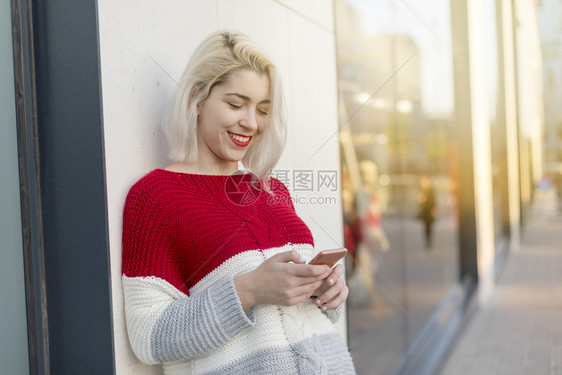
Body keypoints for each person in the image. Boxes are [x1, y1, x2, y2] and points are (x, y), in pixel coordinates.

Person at [121, 30, 356, 375]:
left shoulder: (272, 189)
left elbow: (296, 316)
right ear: (197, 100)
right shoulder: (156, 196)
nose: (251, 122)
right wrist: (249, 290)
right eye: (235, 104)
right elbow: (149, 338)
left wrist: (328, 292)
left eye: (262, 109)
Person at [417, 175, 436, 248]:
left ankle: (429, 240)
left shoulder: (431, 190)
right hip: (424, 211)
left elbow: (433, 201)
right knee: (425, 226)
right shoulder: (422, 190)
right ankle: (427, 240)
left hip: (429, 211)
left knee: (429, 226)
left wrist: (434, 210)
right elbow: (420, 201)